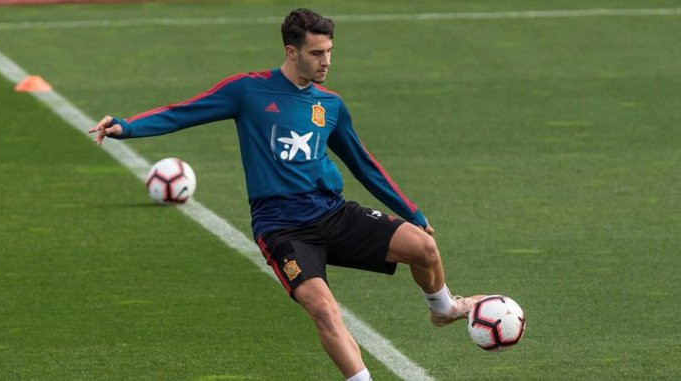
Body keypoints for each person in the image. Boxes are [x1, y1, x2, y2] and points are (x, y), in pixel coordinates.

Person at [89, 8, 484, 381]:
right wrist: (127, 127)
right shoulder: (248, 91)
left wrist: (411, 212)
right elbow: (183, 112)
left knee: (424, 249)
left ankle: (443, 308)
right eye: (316, 53)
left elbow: (363, 164)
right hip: (282, 229)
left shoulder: (330, 105)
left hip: (333, 213)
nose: (325, 61)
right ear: (291, 52)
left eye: (329, 51)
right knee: (324, 310)